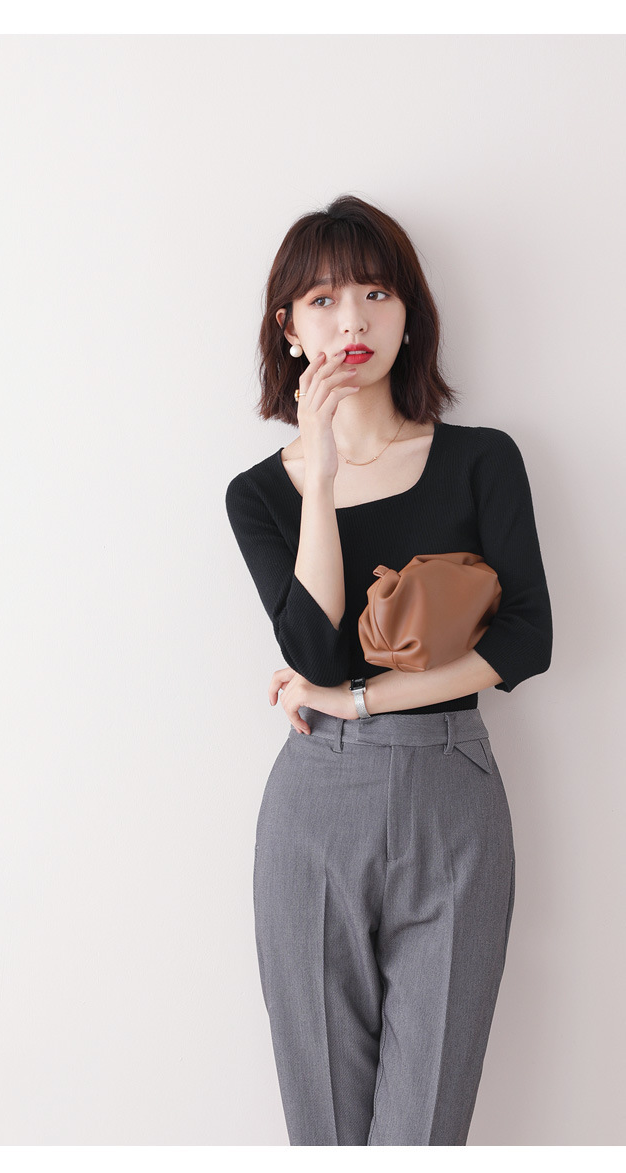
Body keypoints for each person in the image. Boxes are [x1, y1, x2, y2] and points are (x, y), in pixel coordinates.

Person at [224, 194, 553, 1146]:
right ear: (289, 329)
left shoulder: (482, 460)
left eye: (376, 293)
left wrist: (359, 698)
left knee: (424, 1134)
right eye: (323, 301)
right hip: (315, 806)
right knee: (325, 1131)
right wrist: (321, 476)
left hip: (453, 792)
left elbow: (525, 642)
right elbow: (314, 650)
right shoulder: (262, 494)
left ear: (410, 313)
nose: (353, 321)